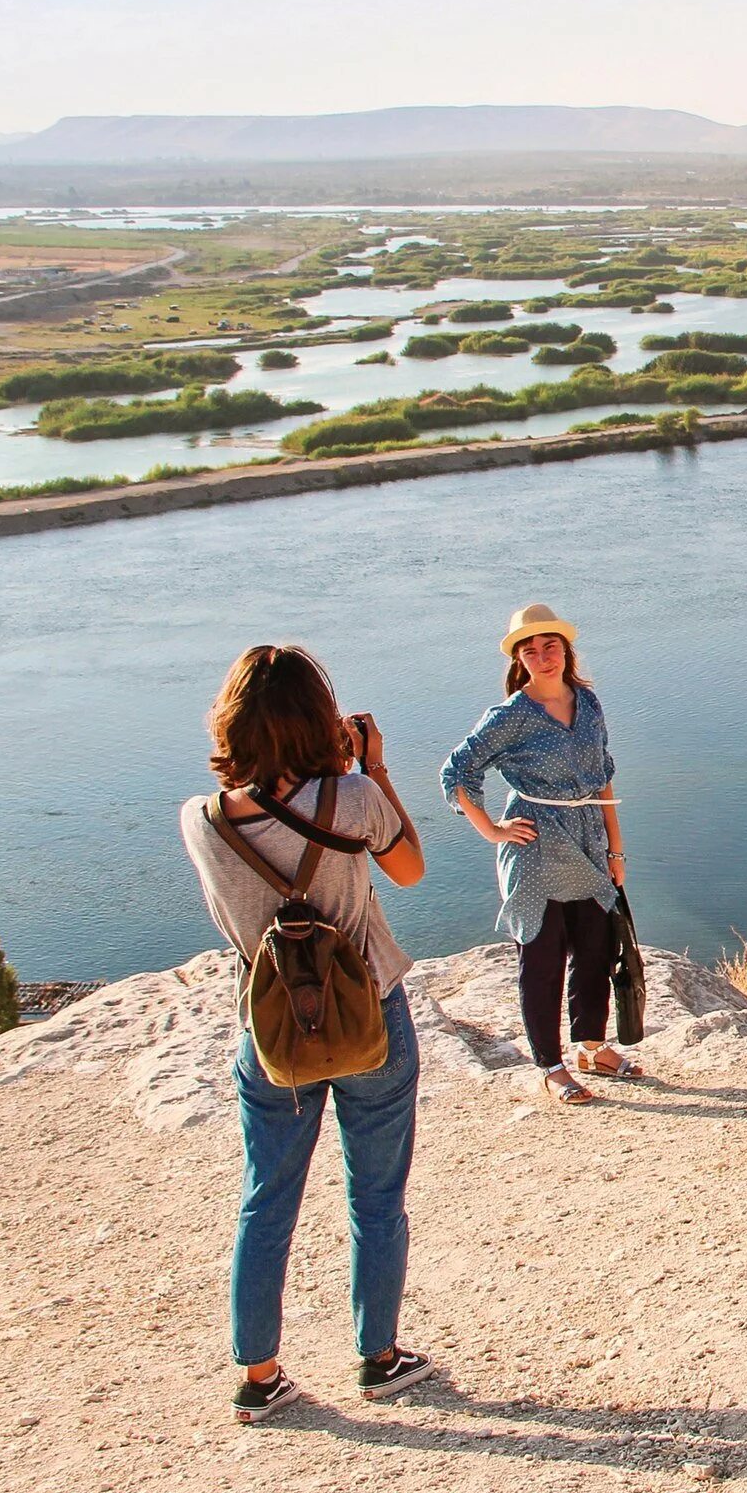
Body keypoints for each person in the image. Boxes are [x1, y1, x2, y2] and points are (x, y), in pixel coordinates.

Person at [180, 644, 434, 1424]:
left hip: (272, 1032)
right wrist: (374, 767)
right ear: (316, 717)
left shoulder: (201, 819)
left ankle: (258, 1376)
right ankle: (380, 1358)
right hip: (368, 1018)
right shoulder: (353, 797)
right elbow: (411, 868)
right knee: (376, 1194)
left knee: (267, 1197)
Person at [442, 602, 636, 1106]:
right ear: (520, 659)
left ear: (565, 650)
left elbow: (604, 775)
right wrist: (492, 829)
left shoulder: (588, 704)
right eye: (531, 650)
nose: (543, 656)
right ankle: (550, 1065)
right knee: (543, 958)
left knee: (596, 947)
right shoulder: (511, 715)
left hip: (589, 838)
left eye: (551, 646)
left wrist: (616, 848)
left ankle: (592, 1047)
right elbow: (458, 771)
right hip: (534, 845)